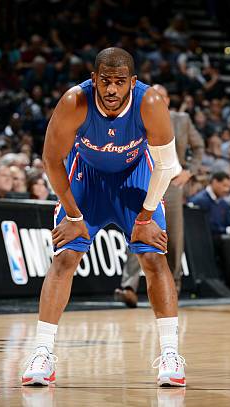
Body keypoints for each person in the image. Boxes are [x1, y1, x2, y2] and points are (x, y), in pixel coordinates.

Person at [21, 48, 186, 388]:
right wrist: (72, 213)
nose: (112, 90)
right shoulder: (74, 102)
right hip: (87, 178)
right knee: (65, 257)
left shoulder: (150, 101)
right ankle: (42, 352)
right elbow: (52, 160)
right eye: (106, 82)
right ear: (94, 79)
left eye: (120, 83)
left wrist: (145, 217)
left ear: (132, 82)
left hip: (136, 177)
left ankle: (171, 355)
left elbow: (168, 166)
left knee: (154, 259)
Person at [115, 83, 205, 305]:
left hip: (172, 182)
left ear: (167, 100)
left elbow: (199, 146)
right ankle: (129, 286)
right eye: (153, 95)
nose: (156, 99)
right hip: (144, 180)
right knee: (139, 230)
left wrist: (189, 171)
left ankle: (173, 287)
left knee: (173, 235)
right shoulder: (136, 117)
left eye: (161, 95)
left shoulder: (182, 119)